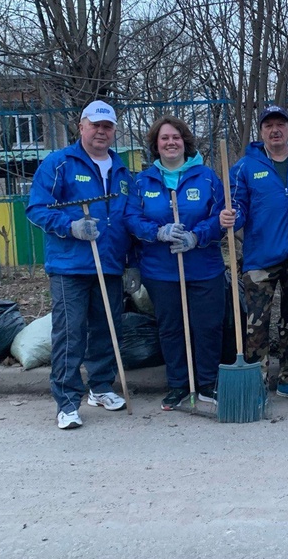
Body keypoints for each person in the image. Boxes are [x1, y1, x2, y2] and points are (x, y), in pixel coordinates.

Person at [27, 100, 138, 430]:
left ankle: (101, 387)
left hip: (110, 264)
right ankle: (66, 401)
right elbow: (37, 208)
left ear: (114, 130)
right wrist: (69, 226)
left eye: (107, 127)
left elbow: (128, 220)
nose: (101, 132)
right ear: (82, 126)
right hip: (70, 265)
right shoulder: (59, 163)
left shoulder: (122, 172)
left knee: (107, 330)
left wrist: (131, 263)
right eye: (95, 125)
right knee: (70, 333)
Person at [126, 116, 227, 410]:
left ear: (185, 142)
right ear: (156, 146)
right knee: (171, 329)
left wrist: (197, 236)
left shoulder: (207, 177)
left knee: (207, 327)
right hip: (161, 270)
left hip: (204, 268)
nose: (171, 143)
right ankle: (179, 385)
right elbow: (131, 218)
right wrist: (157, 232)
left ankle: (207, 383)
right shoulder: (143, 181)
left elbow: (221, 216)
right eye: (164, 139)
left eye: (176, 137)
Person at [223, 105, 288, 403]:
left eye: (280, 124)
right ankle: (257, 383)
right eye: (268, 125)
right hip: (260, 256)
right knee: (256, 323)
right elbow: (239, 207)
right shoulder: (245, 166)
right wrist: (233, 216)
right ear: (261, 131)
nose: (275, 130)